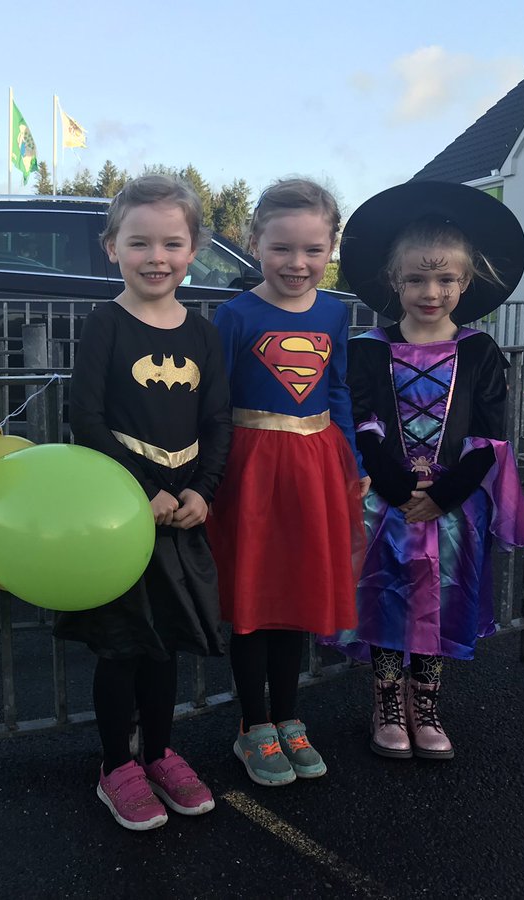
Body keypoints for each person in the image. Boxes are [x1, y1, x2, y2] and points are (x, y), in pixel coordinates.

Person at [334, 181, 524, 760]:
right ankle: (387, 702)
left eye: (446, 279)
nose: (432, 291)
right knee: (383, 596)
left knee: (440, 599)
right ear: (393, 282)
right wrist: (402, 489)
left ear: (465, 283)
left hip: (455, 506)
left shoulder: (479, 353)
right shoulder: (369, 349)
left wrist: (445, 493)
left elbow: (490, 434)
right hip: (385, 502)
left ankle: (426, 704)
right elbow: (364, 422)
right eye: (417, 279)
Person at [55, 174, 232, 831]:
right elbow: (87, 418)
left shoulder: (204, 335)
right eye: (140, 243)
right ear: (111, 249)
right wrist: (142, 489)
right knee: (122, 646)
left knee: (167, 646)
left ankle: (158, 752)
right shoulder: (106, 323)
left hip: (181, 513)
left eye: (172, 243)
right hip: (120, 512)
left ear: (194, 251)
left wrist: (201, 491)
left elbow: (217, 421)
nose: (156, 257)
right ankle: (115, 766)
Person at [206, 179, 368, 787]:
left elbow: (338, 388)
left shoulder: (334, 312)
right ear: (254, 244)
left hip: (316, 467)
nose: (297, 264)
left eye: (312, 250)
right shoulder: (234, 315)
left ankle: (288, 716)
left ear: (331, 249)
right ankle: (254, 727)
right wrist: (214, 476)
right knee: (253, 601)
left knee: (297, 595)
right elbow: (214, 404)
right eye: (281, 249)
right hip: (252, 472)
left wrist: (350, 458)